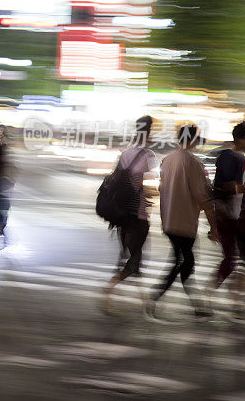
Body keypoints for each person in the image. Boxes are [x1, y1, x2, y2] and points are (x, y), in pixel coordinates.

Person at [146, 124, 215, 320]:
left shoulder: (167, 160)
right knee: (183, 262)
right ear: (193, 140)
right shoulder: (193, 163)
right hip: (185, 222)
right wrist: (213, 224)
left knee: (183, 261)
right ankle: (155, 298)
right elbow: (201, 196)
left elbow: (162, 188)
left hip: (169, 220)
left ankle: (197, 306)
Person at [101, 115, 158, 313]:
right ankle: (109, 291)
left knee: (132, 257)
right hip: (138, 216)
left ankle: (145, 301)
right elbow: (150, 188)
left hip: (122, 215)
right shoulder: (148, 156)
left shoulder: (126, 153)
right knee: (134, 259)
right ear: (148, 132)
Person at [206, 121, 245, 308]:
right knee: (230, 259)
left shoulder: (231, 157)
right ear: (240, 139)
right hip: (228, 215)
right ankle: (208, 294)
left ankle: (235, 301)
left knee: (234, 258)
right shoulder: (232, 158)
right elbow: (225, 186)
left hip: (235, 215)